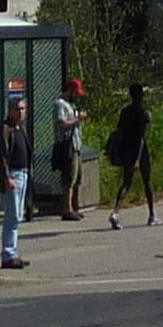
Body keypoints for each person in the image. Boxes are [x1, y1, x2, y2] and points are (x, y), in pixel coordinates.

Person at [0, 91, 33, 268]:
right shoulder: (4, 130)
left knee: (18, 216)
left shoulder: (20, 129)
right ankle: (8, 255)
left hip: (23, 174)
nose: (20, 112)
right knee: (12, 216)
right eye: (17, 109)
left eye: (23, 109)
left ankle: (13, 252)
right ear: (9, 110)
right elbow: (1, 157)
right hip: (13, 177)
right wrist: (7, 177)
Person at [105, 81, 155, 227]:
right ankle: (152, 215)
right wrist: (138, 159)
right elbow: (141, 138)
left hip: (126, 148)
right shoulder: (144, 113)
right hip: (139, 150)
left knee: (126, 182)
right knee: (147, 181)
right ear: (141, 95)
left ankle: (116, 211)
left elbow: (119, 131)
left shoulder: (125, 111)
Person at [54, 76, 87, 219]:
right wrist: (77, 120)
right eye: (76, 93)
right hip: (67, 145)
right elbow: (61, 124)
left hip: (76, 145)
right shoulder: (60, 104)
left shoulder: (71, 105)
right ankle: (66, 209)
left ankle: (75, 206)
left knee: (77, 177)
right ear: (70, 90)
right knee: (68, 178)